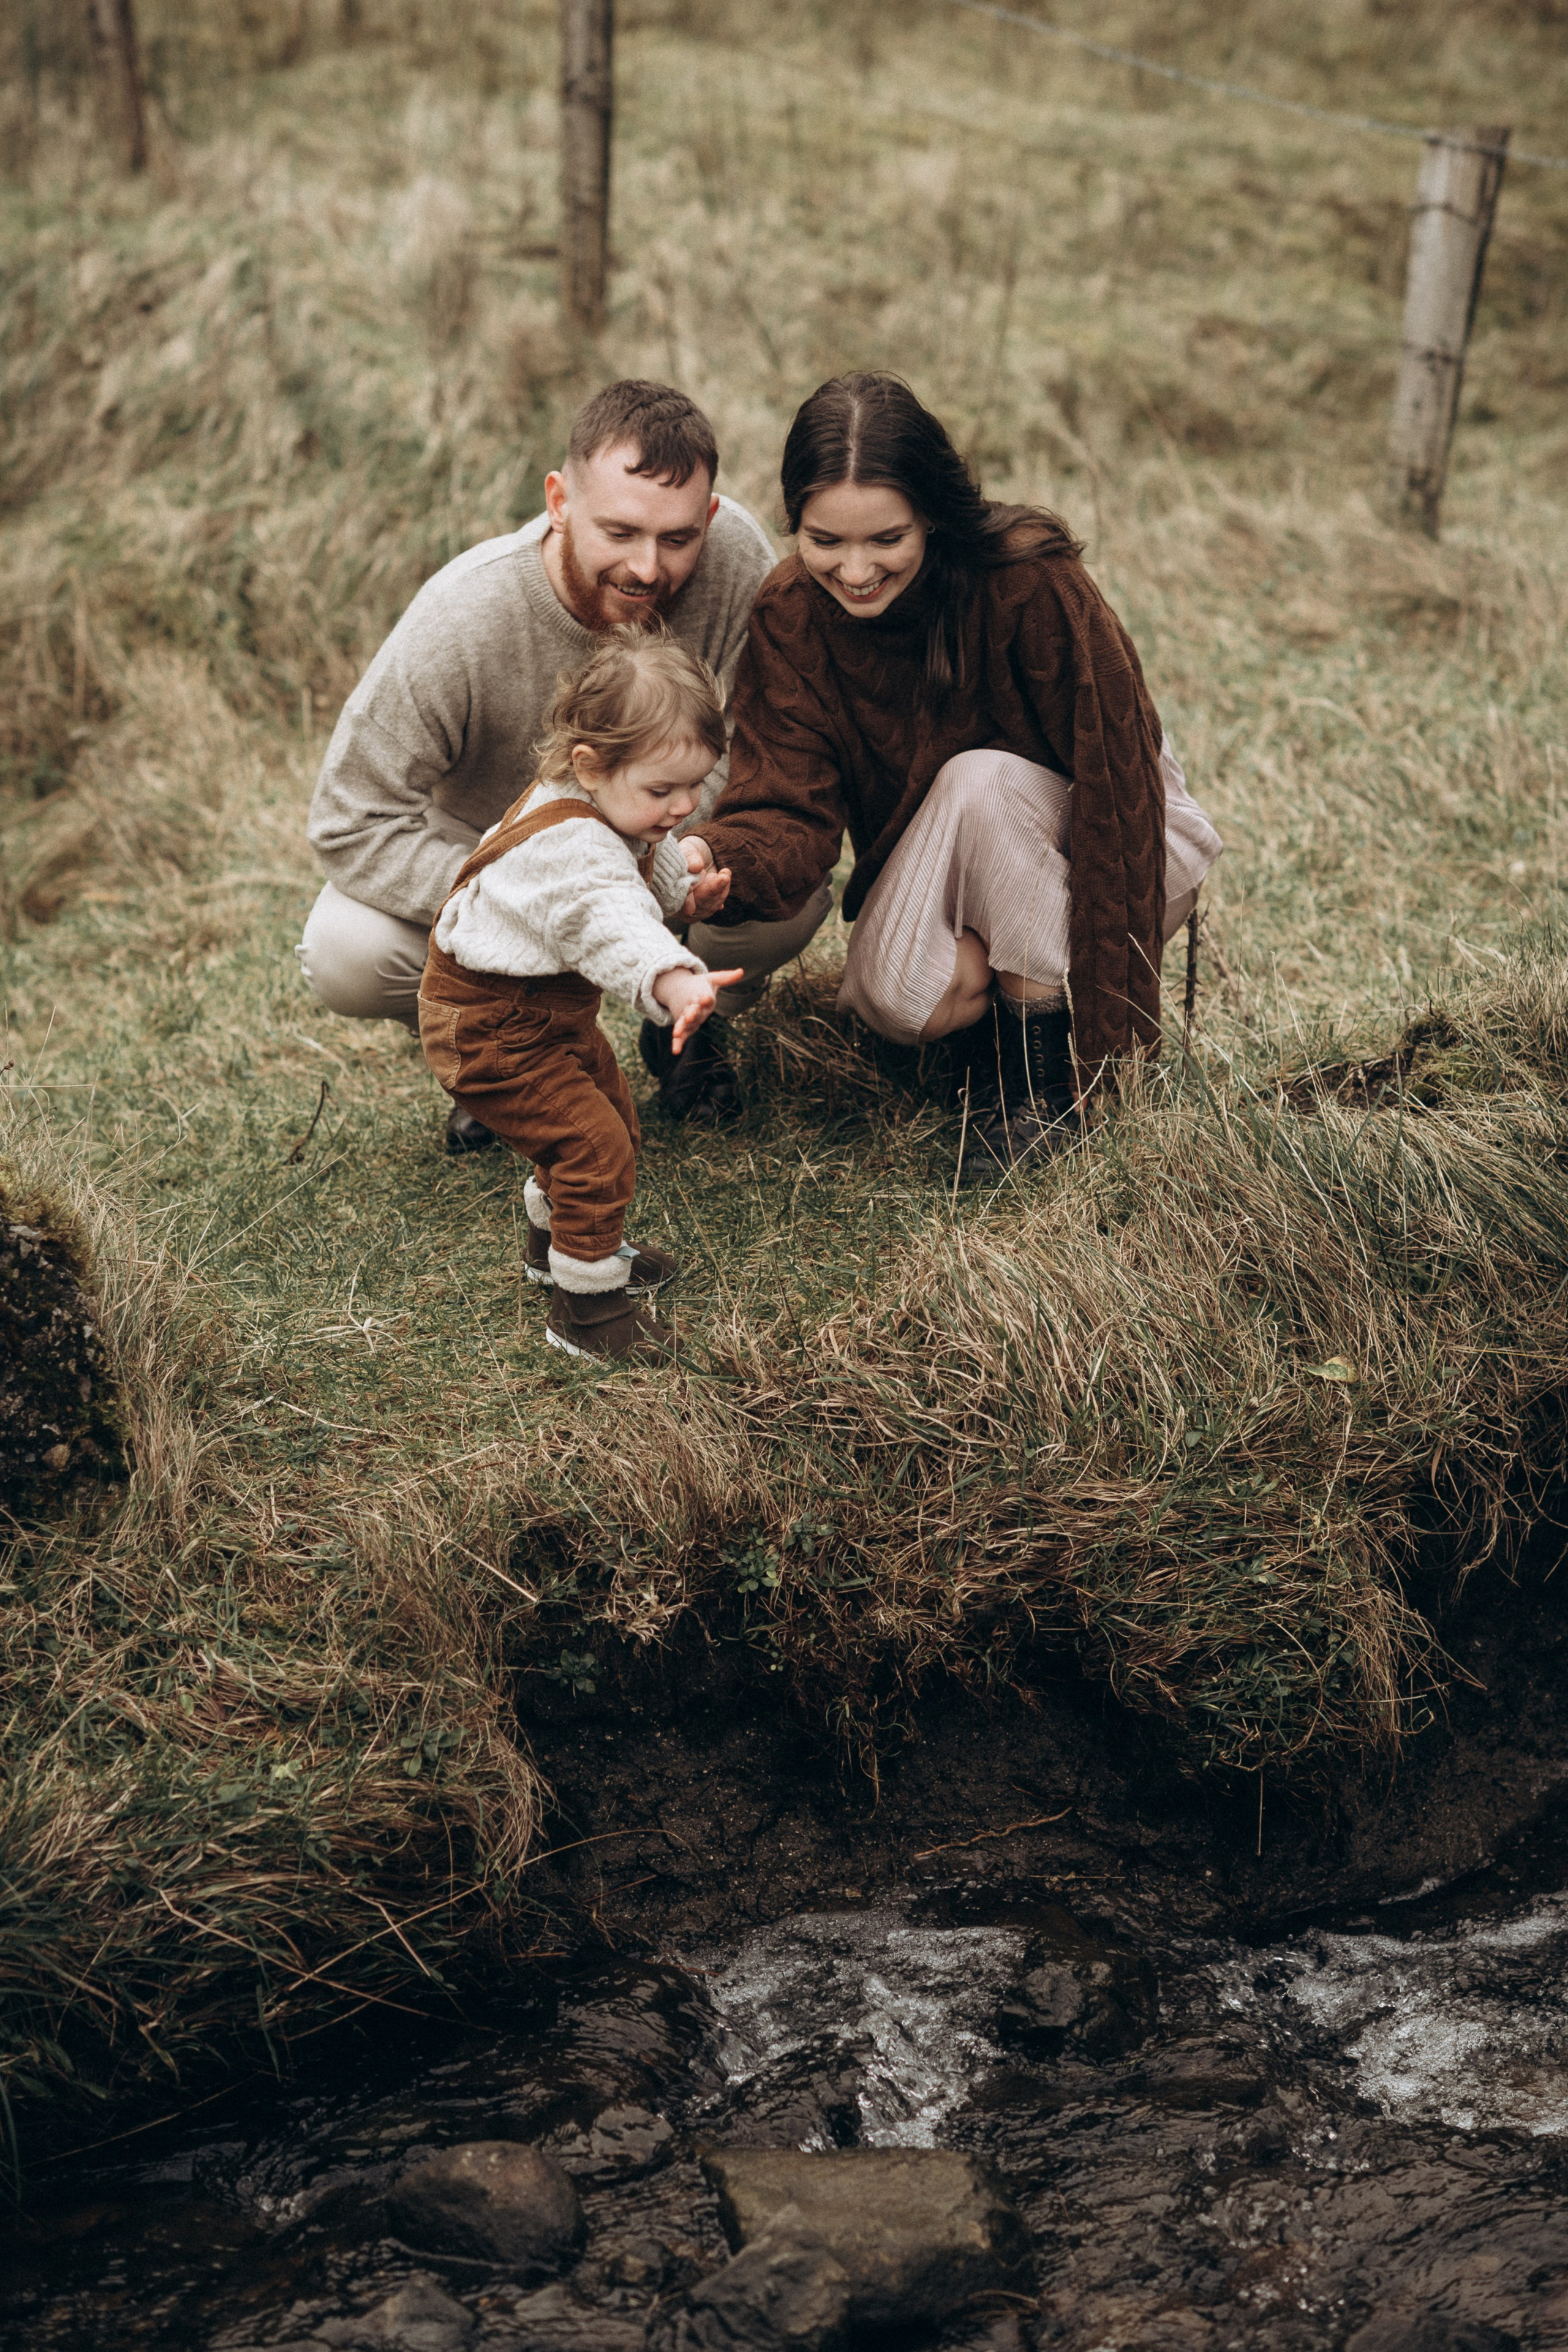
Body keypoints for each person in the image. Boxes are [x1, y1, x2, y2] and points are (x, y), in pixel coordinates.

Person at [683, 373, 1223, 1180]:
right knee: (905, 1001)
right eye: (825, 540)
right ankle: (995, 1019)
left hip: (1118, 842)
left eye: (886, 540)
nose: (856, 571)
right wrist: (720, 859)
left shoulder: (1030, 581)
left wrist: (1108, 1047)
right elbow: (786, 805)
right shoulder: (791, 611)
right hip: (966, 864)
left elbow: (1119, 787)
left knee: (983, 781)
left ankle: (1034, 1091)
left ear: (932, 514)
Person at [299, 381, 815, 1140]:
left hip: (665, 851)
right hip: (494, 867)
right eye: (619, 532)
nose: (648, 567)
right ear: (559, 501)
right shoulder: (463, 617)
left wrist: (657, 866)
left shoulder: (737, 555)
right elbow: (349, 820)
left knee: (787, 902)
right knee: (345, 950)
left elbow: (747, 743)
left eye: (678, 539)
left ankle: (691, 1028)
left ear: (709, 515)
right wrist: (532, 890)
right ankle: (499, 1055)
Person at [417, 627, 742, 1363]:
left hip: (537, 1013)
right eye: (663, 790)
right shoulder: (573, 847)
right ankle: (587, 1315)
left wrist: (685, 896)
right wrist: (674, 977)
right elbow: (610, 915)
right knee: (591, 1145)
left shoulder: (600, 799)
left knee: (610, 1119)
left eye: (695, 785)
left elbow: (639, 867)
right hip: (490, 1027)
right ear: (590, 764)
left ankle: (559, 1248)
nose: (682, 806)